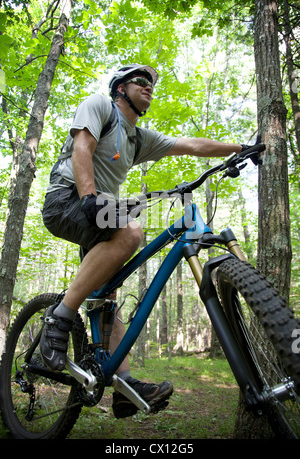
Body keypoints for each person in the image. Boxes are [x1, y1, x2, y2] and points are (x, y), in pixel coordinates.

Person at [40, 64, 243, 418]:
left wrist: (239, 147)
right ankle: (60, 317)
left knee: (108, 297)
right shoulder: (99, 106)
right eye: (141, 81)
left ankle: (123, 385)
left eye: (152, 84)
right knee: (132, 231)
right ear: (120, 88)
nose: (149, 87)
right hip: (67, 199)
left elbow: (191, 145)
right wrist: (89, 196)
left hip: (96, 211)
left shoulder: (138, 139)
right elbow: (83, 147)